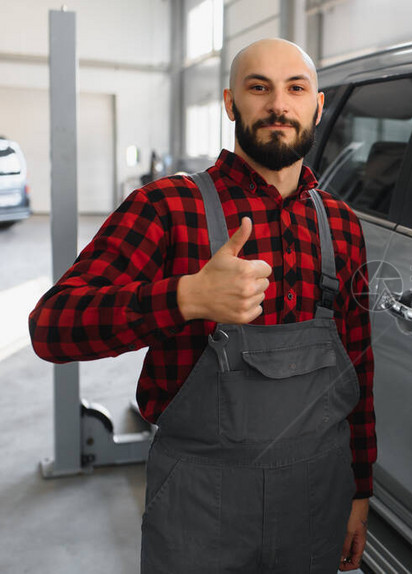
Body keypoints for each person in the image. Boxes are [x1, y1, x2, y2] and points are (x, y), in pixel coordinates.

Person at [29, 38, 375, 573]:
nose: (278, 105)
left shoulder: (341, 225)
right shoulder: (168, 207)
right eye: (258, 88)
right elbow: (52, 327)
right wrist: (184, 297)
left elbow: (359, 364)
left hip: (317, 495)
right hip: (200, 503)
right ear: (230, 103)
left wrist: (359, 490)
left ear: (317, 106)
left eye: (295, 89)